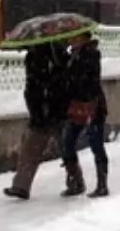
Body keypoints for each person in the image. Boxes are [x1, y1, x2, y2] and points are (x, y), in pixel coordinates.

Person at [4, 42, 72, 200]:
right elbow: (33, 85)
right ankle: (21, 186)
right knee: (31, 150)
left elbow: (56, 81)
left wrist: (48, 96)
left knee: (64, 149)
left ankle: (75, 180)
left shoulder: (54, 54)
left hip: (53, 109)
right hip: (43, 111)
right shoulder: (38, 56)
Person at [59, 34, 110, 198]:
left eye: (74, 38)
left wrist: (72, 73)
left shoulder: (91, 54)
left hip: (92, 104)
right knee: (67, 141)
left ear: (83, 38)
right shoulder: (72, 55)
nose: (70, 40)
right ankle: (76, 181)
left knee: (96, 143)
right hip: (76, 105)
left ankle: (102, 185)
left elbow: (88, 80)